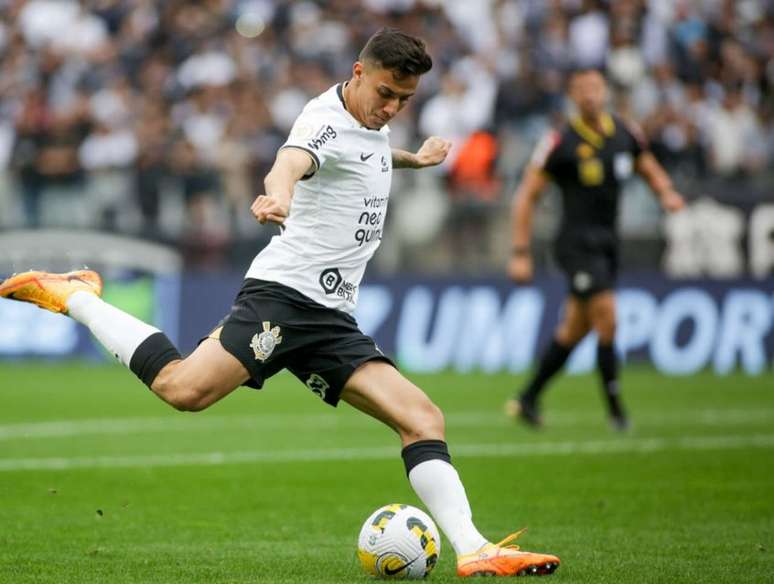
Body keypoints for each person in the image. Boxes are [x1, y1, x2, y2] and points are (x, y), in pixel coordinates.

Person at [1, 29, 559, 578]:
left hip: (331, 317)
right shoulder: (321, 121)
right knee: (183, 390)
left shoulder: (364, 124)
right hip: (284, 299)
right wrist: (280, 196)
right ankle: (76, 296)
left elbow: (367, 155)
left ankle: (475, 548)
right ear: (358, 72)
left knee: (422, 418)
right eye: (386, 94)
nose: (391, 108)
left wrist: (415, 158)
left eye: (405, 100)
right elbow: (292, 160)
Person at [505, 68, 685, 431]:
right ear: (572, 95)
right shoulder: (561, 141)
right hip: (575, 244)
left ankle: (528, 398)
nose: (590, 95)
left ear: (605, 92)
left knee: (574, 329)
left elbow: (647, 165)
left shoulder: (624, 132)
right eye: (582, 88)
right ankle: (617, 411)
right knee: (608, 317)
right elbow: (526, 196)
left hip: (607, 243)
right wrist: (521, 251)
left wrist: (665, 191)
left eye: (596, 88)